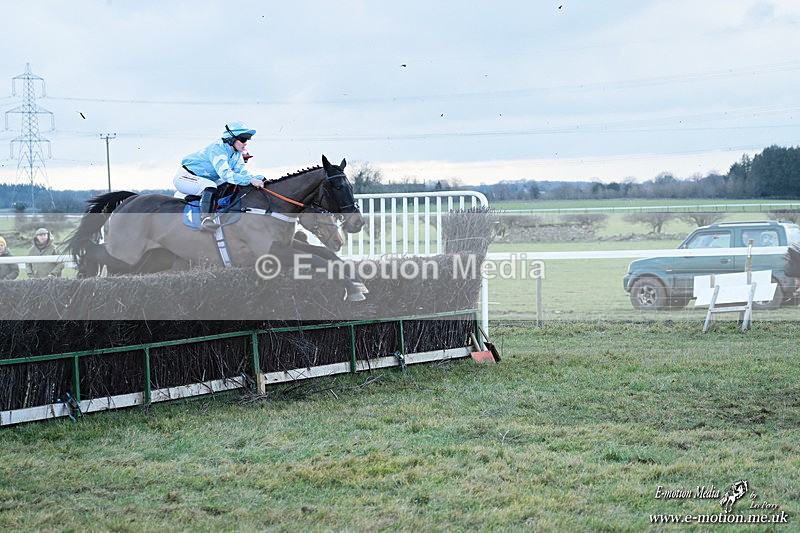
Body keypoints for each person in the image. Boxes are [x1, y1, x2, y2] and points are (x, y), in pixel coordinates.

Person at [173, 121, 266, 231]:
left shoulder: (237, 155)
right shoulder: (218, 149)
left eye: (247, 140)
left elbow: (242, 174)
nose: (246, 143)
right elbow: (226, 175)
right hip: (185, 177)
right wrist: (250, 180)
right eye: (243, 139)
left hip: (205, 179)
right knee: (210, 186)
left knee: (228, 185)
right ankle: (206, 219)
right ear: (231, 139)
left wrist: (259, 178)